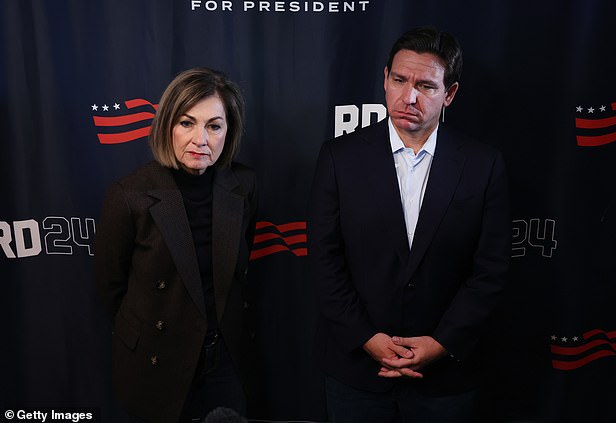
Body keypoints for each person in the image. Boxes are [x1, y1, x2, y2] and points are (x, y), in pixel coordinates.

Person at [307, 27, 511, 422]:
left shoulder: (484, 165)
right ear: (385, 79)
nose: (409, 97)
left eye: (426, 86)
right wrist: (368, 339)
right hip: (356, 373)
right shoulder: (339, 158)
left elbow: (491, 271)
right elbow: (324, 260)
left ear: (449, 94)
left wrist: (440, 343)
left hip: (446, 378)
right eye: (399, 81)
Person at [95, 67, 258, 423]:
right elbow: (111, 288)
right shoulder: (129, 195)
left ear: (228, 132)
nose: (200, 139)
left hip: (223, 362)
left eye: (214, 126)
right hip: (156, 362)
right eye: (187, 123)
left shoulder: (244, 186)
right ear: (167, 124)